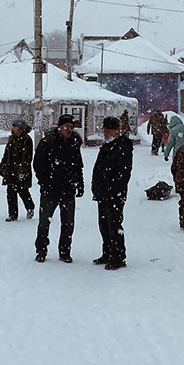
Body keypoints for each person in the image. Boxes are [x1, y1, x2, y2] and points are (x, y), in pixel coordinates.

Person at [33, 113, 84, 263]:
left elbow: (78, 166)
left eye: (71, 127)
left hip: (68, 190)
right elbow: (38, 164)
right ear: (59, 127)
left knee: (68, 223)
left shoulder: (74, 143)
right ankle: (41, 250)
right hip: (50, 190)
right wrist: (45, 182)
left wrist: (79, 183)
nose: (68, 129)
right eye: (66, 127)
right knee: (44, 222)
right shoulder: (48, 142)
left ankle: (65, 251)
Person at [91, 116, 133, 270]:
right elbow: (99, 168)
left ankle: (118, 256)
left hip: (115, 194)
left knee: (114, 225)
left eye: (109, 130)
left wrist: (112, 188)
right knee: (103, 224)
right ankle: (107, 252)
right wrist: (96, 186)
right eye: (105, 130)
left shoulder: (122, 147)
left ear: (117, 131)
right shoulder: (106, 147)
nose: (106, 133)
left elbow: (123, 173)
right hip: (103, 193)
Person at [0, 118, 34, 222]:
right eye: (13, 126)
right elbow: (6, 154)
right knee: (11, 192)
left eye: (15, 127)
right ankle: (12, 214)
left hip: (21, 170)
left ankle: (30, 207)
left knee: (23, 191)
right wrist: (2, 165)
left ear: (21, 128)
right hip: (11, 170)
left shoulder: (27, 140)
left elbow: (27, 157)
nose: (13, 128)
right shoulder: (11, 139)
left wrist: (22, 170)